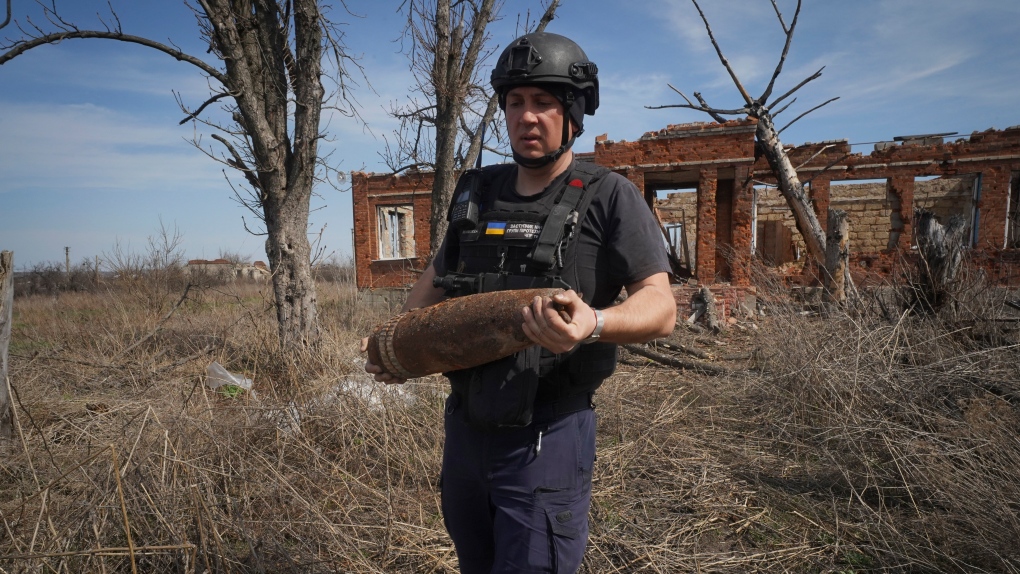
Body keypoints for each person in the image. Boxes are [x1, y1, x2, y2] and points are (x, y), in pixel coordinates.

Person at [363, 31, 676, 573]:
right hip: (464, 430)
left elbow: (660, 305)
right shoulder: (477, 192)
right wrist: (399, 347)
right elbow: (439, 278)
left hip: (547, 438)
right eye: (515, 103)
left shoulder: (608, 196)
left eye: (543, 102)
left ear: (573, 111)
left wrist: (594, 324)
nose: (526, 117)